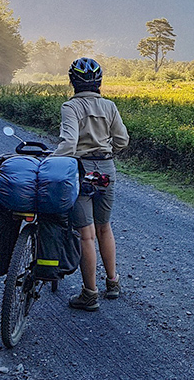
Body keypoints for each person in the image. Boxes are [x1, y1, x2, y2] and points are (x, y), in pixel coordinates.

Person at [52, 57, 129, 311]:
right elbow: (122, 139)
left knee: (86, 234)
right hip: (106, 169)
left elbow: (69, 144)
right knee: (104, 227)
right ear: (99, 81)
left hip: (81, 170)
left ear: (73, 81)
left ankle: (89, 294)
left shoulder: (70, 107)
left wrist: (52, 161)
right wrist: (108, 153)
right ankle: (113, 282)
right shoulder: (109, 106)